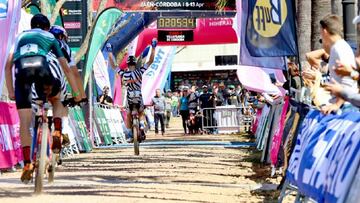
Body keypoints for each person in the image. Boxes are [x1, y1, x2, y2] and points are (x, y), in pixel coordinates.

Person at [5, 14, 81, 182]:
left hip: (21, 74)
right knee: (56, 99)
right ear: (47, 28)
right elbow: (67, 69)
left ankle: (27, 164)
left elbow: (7, 65)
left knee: (24, 123)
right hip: (43, 72)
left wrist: (11, 91)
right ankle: (57, 131)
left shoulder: (20, 37)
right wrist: (76, 94)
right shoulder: (50, 37)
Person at [108, 38, 157, 143]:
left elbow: (113, 66)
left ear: (127, 64)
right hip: (139, 96)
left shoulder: (124, 73)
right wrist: (153, 48)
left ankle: (131, 133)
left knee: (128, 115)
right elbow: (151, 61)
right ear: (135, 64)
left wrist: (110, 52)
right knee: (141, 112)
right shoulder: (140, 71)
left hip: (129, 98)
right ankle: (142, 125)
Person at [318, 14, 358, 114]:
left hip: (345, 108)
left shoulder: (339, 48)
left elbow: (348, 82)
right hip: (343, 105)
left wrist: (336, 105)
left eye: (320, 32)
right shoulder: (337, 47)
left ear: (324, 31)